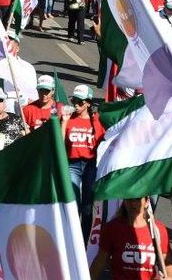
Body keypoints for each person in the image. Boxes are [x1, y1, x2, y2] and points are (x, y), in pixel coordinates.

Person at [90, 197, 172, 280]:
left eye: (137, 199)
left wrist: (169, 277)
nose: (133, 203)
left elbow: (167, 263)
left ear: (146, 202)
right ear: (124, 202)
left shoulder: (158, 229)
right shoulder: (112, 228)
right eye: (129, 199)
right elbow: (99, 262)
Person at [61, 84, 104, 241]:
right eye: (75, 101)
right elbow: (59, 143)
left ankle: (84, 240)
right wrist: (64, 122)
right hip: (72, 164)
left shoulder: (97, 121)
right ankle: (71, 239)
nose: (77, 105)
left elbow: (106, 140)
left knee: (87, 206)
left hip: (90, 166)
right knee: (74, 205)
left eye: (80, 102)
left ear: (88, 103)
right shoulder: (68, 119)